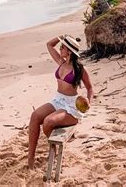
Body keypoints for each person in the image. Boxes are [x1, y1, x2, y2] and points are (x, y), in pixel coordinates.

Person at [27, 35, 94, 170]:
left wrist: (88, 101)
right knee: (35, 116)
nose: (60, 48)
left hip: (70, 105)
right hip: (58, 100)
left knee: (48, 122)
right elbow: (49, 45)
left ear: (69, 51)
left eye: (62, 47)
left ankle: (54, 150)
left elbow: (90, 88)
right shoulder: (61, 62)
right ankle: (31, 158)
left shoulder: (80, 69)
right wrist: (60, 37)